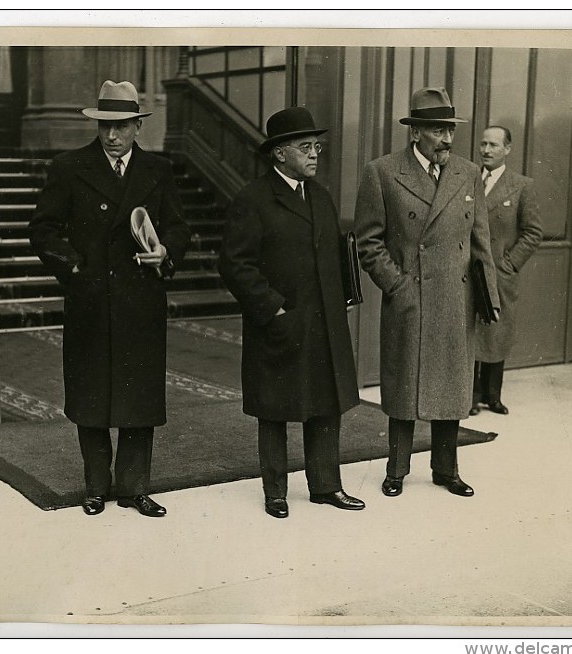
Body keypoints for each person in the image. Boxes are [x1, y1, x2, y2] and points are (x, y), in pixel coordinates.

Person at [29, 80, 190, 517]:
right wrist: (74, 267)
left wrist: (166, 251)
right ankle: (95, 487)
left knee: (139, 397)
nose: (112, 136)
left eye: (120, 126)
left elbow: (178, 227)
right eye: (105, 126)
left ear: (138, 126)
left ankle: (135, 487)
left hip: (141, 302)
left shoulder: (159, 170)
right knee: (92, 396)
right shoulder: (69, 167)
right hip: (91, 302)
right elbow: (42, 230)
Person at [218, 107, 365, 519]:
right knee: (275, 409)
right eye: (305, 147)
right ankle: (276, 493)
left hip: (323, 322)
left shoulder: (320, 195)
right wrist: (273, 308)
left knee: (326, 404)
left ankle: (326, 487)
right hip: (280, 323)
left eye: (316, 146)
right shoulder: (253, 198)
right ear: (279, 154)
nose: (315, 154)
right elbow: (234, 264)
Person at [354, 87, 500, 499]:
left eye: (450, 130)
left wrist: (488, 297)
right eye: (438, 131)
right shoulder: (382, 172)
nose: (447, 140)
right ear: (415, 132)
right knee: (405, 385)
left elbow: (480, 240)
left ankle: (446, 470)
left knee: (452, 386)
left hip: (457, 299)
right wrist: (399, 286)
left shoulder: (468, 173)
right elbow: (369, 242)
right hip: (410, 297)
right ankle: (397, 469)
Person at [470, 126, 543, 416]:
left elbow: (533, 232)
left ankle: (492, 395)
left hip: (500, 274)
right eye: (483, 144)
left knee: (497, 330)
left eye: (494, 145)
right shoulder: (468, 179)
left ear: (507, 150)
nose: (486, 150)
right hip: (472, 270)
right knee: (473, 331)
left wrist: (509, 263)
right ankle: (472, 396)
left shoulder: (522, 185)